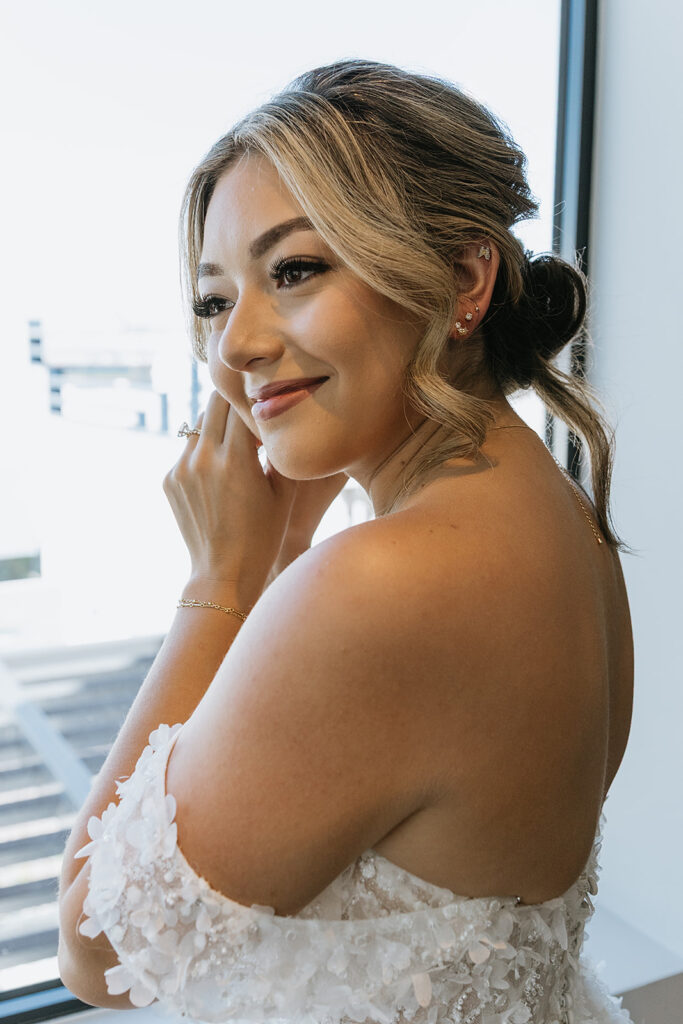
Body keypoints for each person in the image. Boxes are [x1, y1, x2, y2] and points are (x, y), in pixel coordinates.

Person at [57, 60, 635, 1023]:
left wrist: (222, 579)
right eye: (212, 300)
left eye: (293, 271)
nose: (234, 344)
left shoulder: (379, 585)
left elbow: (97, 952)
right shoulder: (560, 521)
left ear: (461, 278)